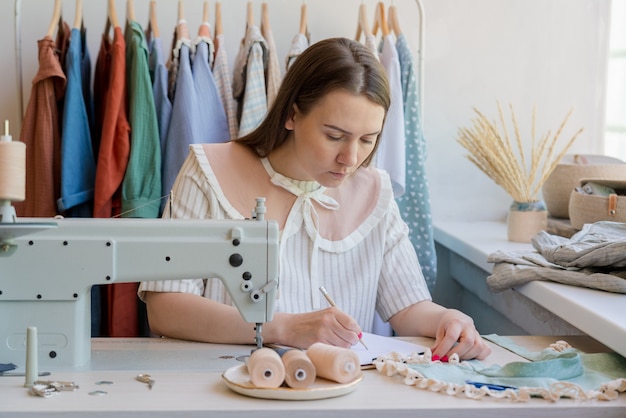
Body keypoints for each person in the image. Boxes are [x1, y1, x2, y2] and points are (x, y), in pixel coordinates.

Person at [139, 37, 491, 361]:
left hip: (341, 392)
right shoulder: (207, 172)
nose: (351, 159)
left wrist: (448, 319)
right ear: (293, 114)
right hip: (221, 390)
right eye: (335, 136)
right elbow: (165, 308)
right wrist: (282, 328)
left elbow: (408, 308)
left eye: (368, 140)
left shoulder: (376, 194)